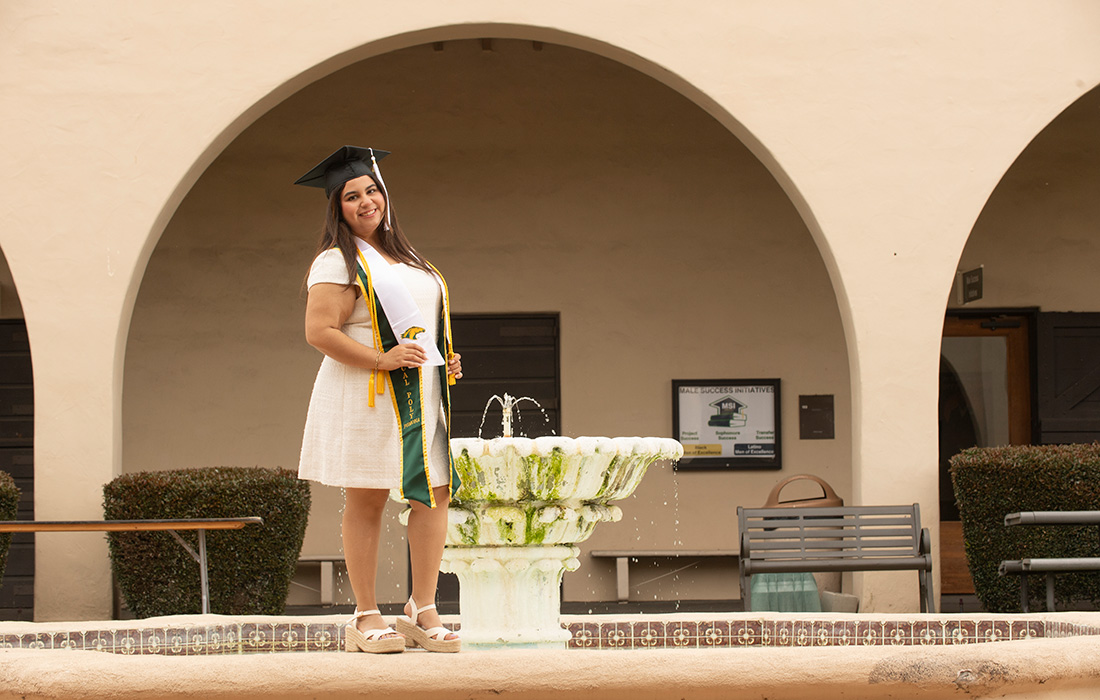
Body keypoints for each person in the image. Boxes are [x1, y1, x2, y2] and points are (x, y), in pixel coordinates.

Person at [295, 146, 462, 653]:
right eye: (352, 195)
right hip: (366, 393)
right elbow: (318, 331)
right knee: (367, 497)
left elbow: (420, 324)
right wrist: (382, 359)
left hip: (420, 389)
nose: (366, 201)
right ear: (336, 207)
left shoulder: (408, 257)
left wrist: (444, 357)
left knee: (432, 493)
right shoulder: (336, 259)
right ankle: (365, 615)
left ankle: (422, 607)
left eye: (371, 190)